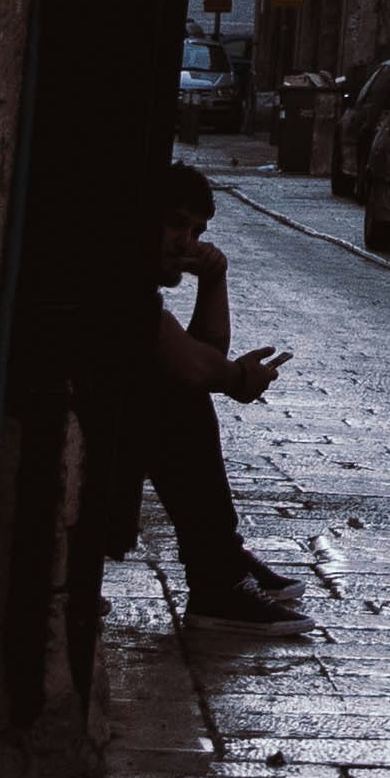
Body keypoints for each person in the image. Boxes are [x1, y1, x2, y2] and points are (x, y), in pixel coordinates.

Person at [140, 167, 302, 623]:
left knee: (181, 397)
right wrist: (235, 378)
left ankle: (222, 561)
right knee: (177, 403)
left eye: (195, 232)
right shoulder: (122, 285)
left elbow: (197, 360)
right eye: (174, 223)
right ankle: (218, 573)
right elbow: (188, 364)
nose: (185, 242)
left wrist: (214, 280)